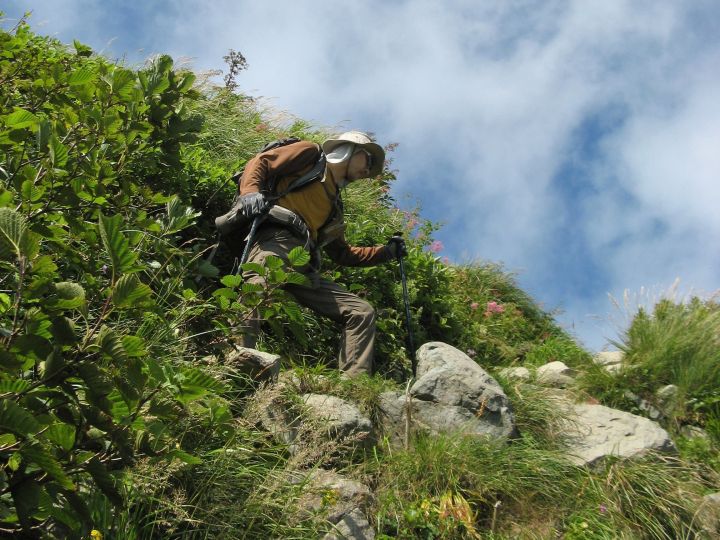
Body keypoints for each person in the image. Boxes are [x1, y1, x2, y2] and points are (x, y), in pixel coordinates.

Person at [233, 131, 405, 376]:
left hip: (304, 265)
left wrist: (386, 252)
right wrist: (250, 192)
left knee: (361, 312)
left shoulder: (334, 206)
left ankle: (354, 383)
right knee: (259, 285)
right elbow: (262, 162)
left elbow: (342, 254)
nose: (368, 171)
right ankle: (237, 357)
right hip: (277, 239)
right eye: (368, 160)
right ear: (351, 149)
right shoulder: (310, 154)